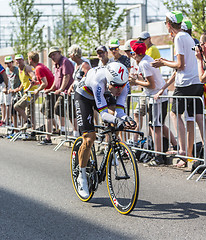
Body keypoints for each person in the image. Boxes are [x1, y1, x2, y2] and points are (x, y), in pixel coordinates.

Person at [74, 62, 136, 197]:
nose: (119, 90)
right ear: (109, 81)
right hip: (84, 95)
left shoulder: (123, 84)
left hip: (103, 93)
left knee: (114, 114)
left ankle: (112, 148)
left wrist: (127, 119)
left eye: (122, 86)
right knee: (89, 138)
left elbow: (119, 112)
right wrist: (117, 120)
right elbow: (103, 114)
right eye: (116, 86)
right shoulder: (98, 81)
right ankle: (81, 175)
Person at [152, 11, 204, 167]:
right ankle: (191, 154)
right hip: (196, 82)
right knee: (197, 117)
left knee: (174, 114)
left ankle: (181, 151)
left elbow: (180, 65)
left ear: (169, 24)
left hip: (185, 83)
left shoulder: (179, 38)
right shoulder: (188, 37)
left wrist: (163, 63)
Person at [129, 41, 176, 166]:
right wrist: (137, 79)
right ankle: (175, 145)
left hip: (157, 96)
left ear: (136, 54)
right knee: (157, 124)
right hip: (157, 96)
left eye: (132, 52)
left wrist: (136, 82)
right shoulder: (146, 59)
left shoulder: (144, 63)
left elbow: (151, 84)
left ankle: (158, 156)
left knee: (155, 126)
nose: (131, 55)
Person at [45, 46, 76, 136]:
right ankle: (71, 131)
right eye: (51, 56)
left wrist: (61, 89)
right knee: (66, 111)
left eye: (54, 54)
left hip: (68, 91)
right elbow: (56, 78)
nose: (53, 57)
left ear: (59, 53)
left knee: (61, 108)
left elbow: (67, 76)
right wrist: (51, 89)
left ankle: (68, 130)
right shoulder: (56, 64)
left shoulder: (65, 61)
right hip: (62, 92)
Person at [28, 51, 55, 145]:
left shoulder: (38, 68)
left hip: (50, 92)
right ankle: (56, 128)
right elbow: (44, 81)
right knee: (43, 110)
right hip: (50, 91)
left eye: (28, 58)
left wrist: (37, 90)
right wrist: (35, 83)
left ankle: (48, 138)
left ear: (31, 60)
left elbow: (45, 83)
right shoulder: (40, 66)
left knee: (48, 114)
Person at [12, 54, 38, 133]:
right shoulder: (19, 70)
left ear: (23, 60)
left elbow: (33, 77)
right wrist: (18, 89)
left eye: (20, 59)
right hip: (28, 93)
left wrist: (29, 87)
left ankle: (28, 122)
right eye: (17, 60)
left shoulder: (27, 68)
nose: (18, 61)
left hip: (32, 92)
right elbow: (23, 82)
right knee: (31, 112)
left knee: (17, 106)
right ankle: (33, 131)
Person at [5, 56, 21, 134]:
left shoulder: (16, 70)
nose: (8, 65)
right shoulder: (7, 71)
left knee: (19, 110)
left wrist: (17, 89)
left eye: (9, 63)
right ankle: (15, 129)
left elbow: (22, 81)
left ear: (12, 62)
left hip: (19, 92)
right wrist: (6, 88)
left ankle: (21, 128)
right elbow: (6, 81)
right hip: (12, 93)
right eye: (6, 63)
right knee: (12, 111)